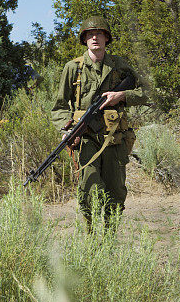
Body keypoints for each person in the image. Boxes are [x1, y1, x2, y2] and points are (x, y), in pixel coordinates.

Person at [51, 16, 148, 229]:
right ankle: (92, 240)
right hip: (85, 138)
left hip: (115, 139)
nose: (94, 38)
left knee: (116, 192)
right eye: (90, 34)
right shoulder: (73, 68)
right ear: (84, 39)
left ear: (106, 38)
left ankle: (108, 241)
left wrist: (121, 96)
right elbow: (59, 107)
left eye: (99, 34)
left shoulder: (120, 66)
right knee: (89, 190)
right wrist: (65, 130)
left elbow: (147, 93)